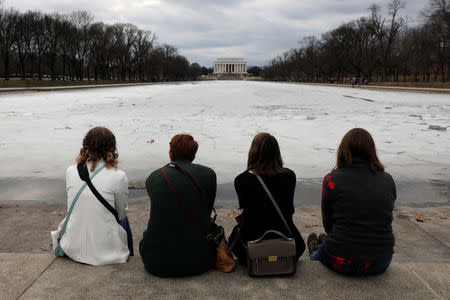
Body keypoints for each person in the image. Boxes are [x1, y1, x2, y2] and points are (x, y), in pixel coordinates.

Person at [307, 128, 396, 276]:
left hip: (341, 259)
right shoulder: (388, 180)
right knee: (331, 241)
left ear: (343, 150)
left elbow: (328, 223)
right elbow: (384, 215)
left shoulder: (331, 180)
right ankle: (323, 245)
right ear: (372, 151)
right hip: (381, 261)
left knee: (319, 254)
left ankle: (316, 251)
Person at [139, 134, 217, 277]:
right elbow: (206, 211)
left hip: (156, 261)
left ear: (170, 153)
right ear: (194, 156)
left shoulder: (154, 177)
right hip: (200, 260)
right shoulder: (209, 174)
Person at [51, 127, 130, 266]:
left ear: (85, 145)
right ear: (112, 148)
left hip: (72, 247)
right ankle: (129, 254)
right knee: (124, 219)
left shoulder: (70, 171)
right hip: (107, 253)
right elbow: (121, 215)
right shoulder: (119, 176)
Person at [229, 133, 306, 264]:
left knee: (234, 236)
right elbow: (289, 209)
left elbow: (248, 210)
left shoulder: (241, 180)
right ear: (277, 153)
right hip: (285, 240)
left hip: (252, 247)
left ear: (253, 152)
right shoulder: (289, 176)